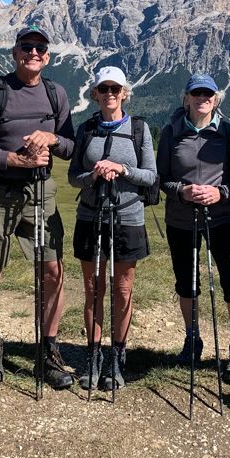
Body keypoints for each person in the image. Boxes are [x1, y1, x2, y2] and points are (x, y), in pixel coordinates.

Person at [0, 25, 75, 390]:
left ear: (48, 55)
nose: (34, 53)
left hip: (41, 190)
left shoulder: (57, 93)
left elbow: (71, 147)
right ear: (15, 53)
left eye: (40, 48)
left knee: (53, 270)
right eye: (27, 47)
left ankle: (49, 349)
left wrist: (53, 138)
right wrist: (12, 159)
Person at [156, 73, 230, 382]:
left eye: (208, 93)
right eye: (196, 93)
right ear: (186, 98)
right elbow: (161, 177)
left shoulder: (228, 131)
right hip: (181, 220)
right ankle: (192, 338)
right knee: (187, 283)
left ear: (216, 99)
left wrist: (220, 192)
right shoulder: (172, 132)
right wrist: (181, 191)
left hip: (221, 218)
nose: (202, 98)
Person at [69, 66, 157, 392]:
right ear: (95, 93)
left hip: (127, 217)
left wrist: (121, 169)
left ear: (124, 93)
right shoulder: (86, 129)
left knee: (123, 289)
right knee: (93, 289)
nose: (109, 94)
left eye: (115, 89)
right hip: (91, 216)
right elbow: (72, 177)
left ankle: (118, 354)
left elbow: (151, 176)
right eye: (103, 89)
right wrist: (92, 175)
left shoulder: (139, 129)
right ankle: (93, 355)